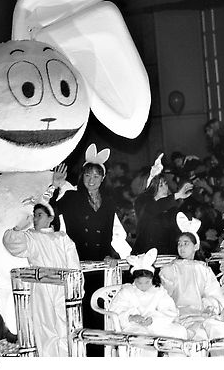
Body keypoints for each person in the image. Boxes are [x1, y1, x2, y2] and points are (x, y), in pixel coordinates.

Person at [50, 144, 129, 356]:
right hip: (79, 263)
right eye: (87, 174)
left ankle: (103, 355)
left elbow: (110, 234)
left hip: (101, 264)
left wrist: (113, 256)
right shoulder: (71, 198)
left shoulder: (110, 202)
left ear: (103, 179)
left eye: (96, 175)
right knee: (82, 309)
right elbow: (50, 213)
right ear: (82, 176)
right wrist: (55, 187)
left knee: (101, 309)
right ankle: (86, 355)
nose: (91, 179)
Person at [3, 202, 81, 356]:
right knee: (45, 329)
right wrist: (18, 228)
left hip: (63, 288)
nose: (35, 219)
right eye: (34, 215)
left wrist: (76, 288)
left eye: (40, 215)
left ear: (50, 218)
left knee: (66, 327)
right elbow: (12, 243)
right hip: (42, 289)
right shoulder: (30, 236)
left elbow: (74, 264)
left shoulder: (61, 237)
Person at [160, 213, 224, 356]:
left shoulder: (203, 269)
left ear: (195, 246)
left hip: (202, 313)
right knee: (199, 336)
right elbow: (164, 295)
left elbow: (212, 292)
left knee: (219, 328)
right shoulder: (170, 269)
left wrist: (210, 307)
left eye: (186, 243)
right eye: (179, 244)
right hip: (181, 314)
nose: (182, 247)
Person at [109, 248, 188, 357]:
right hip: (134, 327)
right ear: (134, 279)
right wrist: (130, 317)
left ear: (152, 278)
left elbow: (169, 310)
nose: (143, 286)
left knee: (179, 331)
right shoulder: (127, 291)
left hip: (156, 325)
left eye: (147, 282)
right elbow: (115, 309)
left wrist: (153, 319)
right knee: (144, 340)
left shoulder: (158, 291)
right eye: (139, 283)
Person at [132, 154, 193, 255]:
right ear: (152, 188)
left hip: (168, 255)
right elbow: (154, 208)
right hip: (146, 256)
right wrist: (177, 195)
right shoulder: (142, 202)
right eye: (161, 185)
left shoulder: (171, 207)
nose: (165, 187)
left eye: (165, 183)